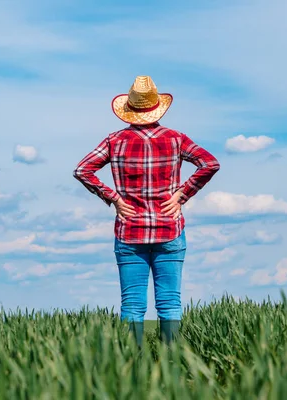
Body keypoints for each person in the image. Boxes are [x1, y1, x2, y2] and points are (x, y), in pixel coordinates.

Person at [73, 76, 220, 346]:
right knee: (169, 303)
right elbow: (209, 163)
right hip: (169, 229)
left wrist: (114, 198)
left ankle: (132, 368)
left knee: (132, 305)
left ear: (129, 109)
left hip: (129, 232)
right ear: (157, 108)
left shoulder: (114, 141)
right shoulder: (176, 139)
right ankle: (171, 365)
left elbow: (83, 170)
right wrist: (182, 194)